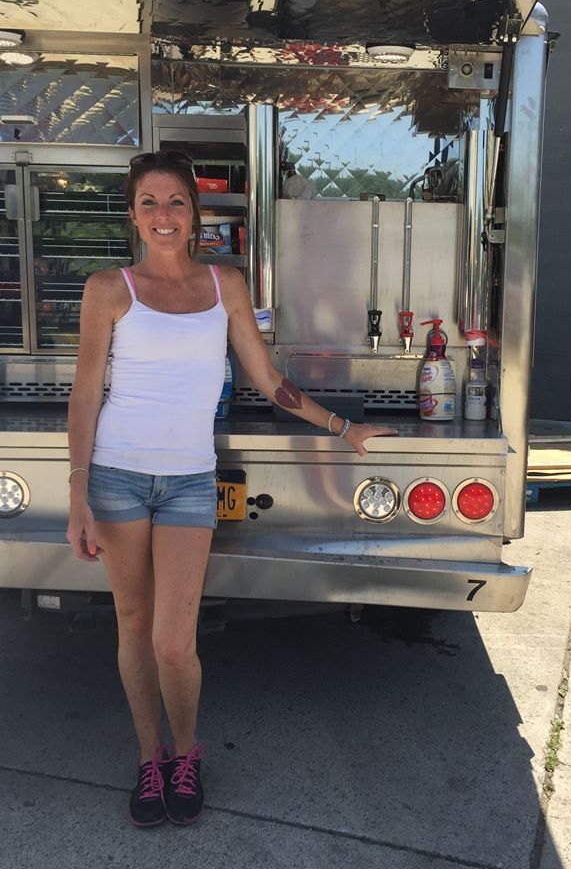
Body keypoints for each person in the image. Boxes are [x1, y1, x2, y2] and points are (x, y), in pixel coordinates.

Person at [65, 151, 397, 828]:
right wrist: (77, 494)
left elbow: (267, 379)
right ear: (132, 214)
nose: (163, 215)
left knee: (173, 643)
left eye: (176, 203)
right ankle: (148, 756)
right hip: (116, 478)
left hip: (188, 480)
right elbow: (84, 393)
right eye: (150, 203)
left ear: (195, 214)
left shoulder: (225, 285)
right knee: (131, 625)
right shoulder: (108, 288)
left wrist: (341, 427)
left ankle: (187, 753)